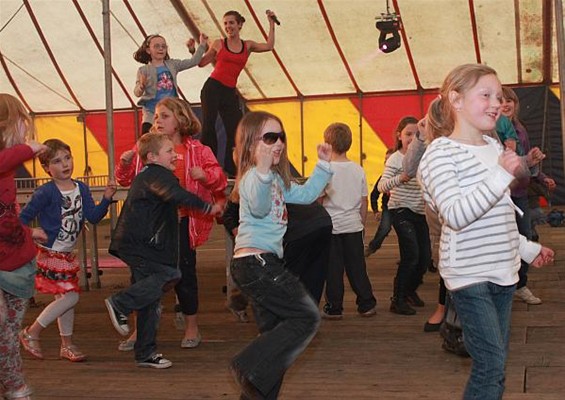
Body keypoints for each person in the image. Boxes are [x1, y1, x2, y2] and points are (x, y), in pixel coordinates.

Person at [418, 63, 554, 400]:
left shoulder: (494, 147)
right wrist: (500, 175)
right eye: (486, 95)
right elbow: (456, 214)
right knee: (491, 363)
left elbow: (501, 217)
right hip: (469, 274)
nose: (496, 102)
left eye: (499, 95)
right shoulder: (440, 153)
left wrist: (526, 249)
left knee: (496, 362)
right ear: (456, 99)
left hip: (503, 271)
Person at [229, 110, 332, 399]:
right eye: (270, 137)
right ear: (251, 145)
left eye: (281, 137)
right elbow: (260, 208)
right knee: (307, 318)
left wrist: (323, 165)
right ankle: (246, 363)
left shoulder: (273, 179)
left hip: (261, 264)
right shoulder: (254, 178)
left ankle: (255, 385)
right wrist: (261, 170)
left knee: (275, 348)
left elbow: (306, 195)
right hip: (257, 264)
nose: (279, 144)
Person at [115, 97, 227, 350]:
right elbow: (124, 180)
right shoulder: (145, 147)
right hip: (149, 226)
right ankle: (139, 330)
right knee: (140, 277)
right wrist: (123, 164)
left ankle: (191, 327)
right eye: (155, 116)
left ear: (180, 119)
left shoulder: (198, 150)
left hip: (180, 224)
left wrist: (205, 175)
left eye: (164, 115)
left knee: (185, 275)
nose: (157, 121)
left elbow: (219, 179)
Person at [18, 139, 116, 362]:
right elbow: (21, 220)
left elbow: (92, 217)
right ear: (46, 168)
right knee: (71, 297)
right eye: (57, 161)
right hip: (50, 254)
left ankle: (67, 344)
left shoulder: (81, 187)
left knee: (66, 298)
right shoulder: (45, 192)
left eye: (67, 158)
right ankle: (31, 332)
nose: (65, 164)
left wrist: (107, 199)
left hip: (66, 254)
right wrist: (33, 232)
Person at [0, 93, 47, 400]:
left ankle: (12, 384)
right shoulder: (10, 158)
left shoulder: (9, 167)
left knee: (8, 330)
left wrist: (30, 234)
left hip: (16, 261)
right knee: (1, 326)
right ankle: (14, 385)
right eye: (21, 124)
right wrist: (28, 148)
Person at [198, 10, 277, 177]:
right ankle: (207, 165)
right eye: (225, 23)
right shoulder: (219, 44)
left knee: (235, 130)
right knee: (209, 126)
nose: (228, 26)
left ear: (239, 25)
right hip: (213, 88)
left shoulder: (247, 45)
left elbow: (269, 46)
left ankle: (231, 168)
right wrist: (196, 48)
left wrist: (271, 23)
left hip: (229, 91)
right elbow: (202, 62)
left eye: (231, 23)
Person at [500, 86, 556, 304]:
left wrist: (540, 175)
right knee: (505, 239)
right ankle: (506, 284)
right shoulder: (491, 129)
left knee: (525, 237)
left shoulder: (520, 130)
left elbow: (524, 162)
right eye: (501, 100)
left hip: (521, 193)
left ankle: (520, 285)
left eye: (509, 101)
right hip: (501, 196)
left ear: (515, 104)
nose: (505, 104)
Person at [320, 122, 377, 319]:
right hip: (353, 226)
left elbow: (319, 198)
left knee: (333, 270)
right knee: (357, 268)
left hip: (331, 228)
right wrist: (361, 224)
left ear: (327, 143)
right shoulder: (358, 170)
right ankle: (366, 303)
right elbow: (363, 201)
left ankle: (335, 307)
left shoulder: (325, 170)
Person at [378, 116, 431, 315]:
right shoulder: (395, 158)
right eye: (407, 134)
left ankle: (409, 291)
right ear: (399, 136)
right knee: (411, 255)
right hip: (400, 210)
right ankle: (397, 299)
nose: (411, 138)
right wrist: (401, 177)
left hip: (420, 211)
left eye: (415, 134)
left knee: (425, 259)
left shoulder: (424, 157)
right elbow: (382, 186)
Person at [134, 33, 208, 134]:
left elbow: (193, 61)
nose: (161, 49)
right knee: (147, 139)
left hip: (170, 111)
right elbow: (137, 93)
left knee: (172, 137)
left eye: (163, 46)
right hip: (151, 112)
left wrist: (202, 45)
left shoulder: (172, 64)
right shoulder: (144, 70)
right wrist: (142, 86)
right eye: (156, 46)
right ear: (148, 50)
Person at [365, 148, 394, 258]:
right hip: (388, 208)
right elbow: (374, 195)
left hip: (402, 207)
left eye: (390, 160)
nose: (387, 162)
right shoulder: (383, 178)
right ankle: (372, 247)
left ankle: (407, 256)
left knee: (405, 234)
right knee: (385, 227)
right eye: (385, 160)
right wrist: (376, 210)